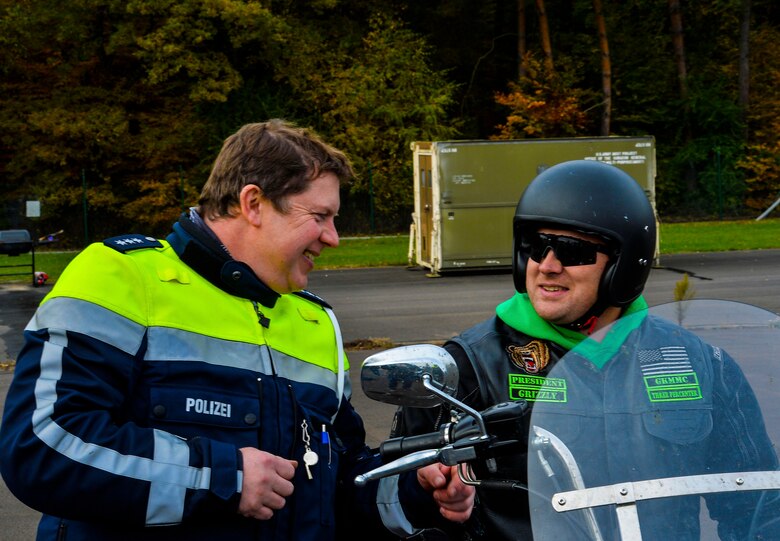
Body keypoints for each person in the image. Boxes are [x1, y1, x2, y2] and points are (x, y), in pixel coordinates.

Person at [0, 119, 473, 541]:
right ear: (253, 203)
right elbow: (43, 445)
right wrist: (220, 477)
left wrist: (415, 486)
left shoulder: (316, 320)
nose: (333, 237)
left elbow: (337, 479)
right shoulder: (120, 277)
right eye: (320, 216)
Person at [390, 159, 779, 540]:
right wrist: (434, 495)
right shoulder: (466, 366)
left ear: (623, 265)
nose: (546, 264)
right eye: (535, 245)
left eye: (571, 250)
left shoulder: (701, 364)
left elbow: (755, 505)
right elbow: (393, 503)